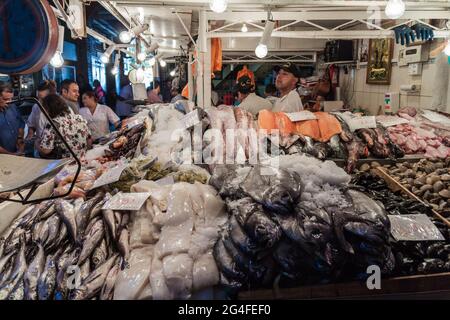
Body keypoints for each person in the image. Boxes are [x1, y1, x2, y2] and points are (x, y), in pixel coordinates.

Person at [39, 94, 91, 159]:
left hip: (64, 166)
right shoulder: (79, 118)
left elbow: (46, 150)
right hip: (82, 162)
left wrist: (36, 144)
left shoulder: (53, 123)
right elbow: (89, 140)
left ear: (48, 109)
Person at [26, 80, 57, 157]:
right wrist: (30, 136)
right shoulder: (36, 107)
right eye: (38, 98)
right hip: (40, 148)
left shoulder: (60, 108)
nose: (39, 101)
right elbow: (31, 125)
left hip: (56, 149)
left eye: (42, 99)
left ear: (52, 97)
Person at [0, 81, 25, 155]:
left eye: (11, 99)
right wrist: (12, 155)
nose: (10, 102)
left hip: (15, 151)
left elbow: (20, 124)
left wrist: (20, 139)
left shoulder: (13, 106)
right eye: (5, 99)